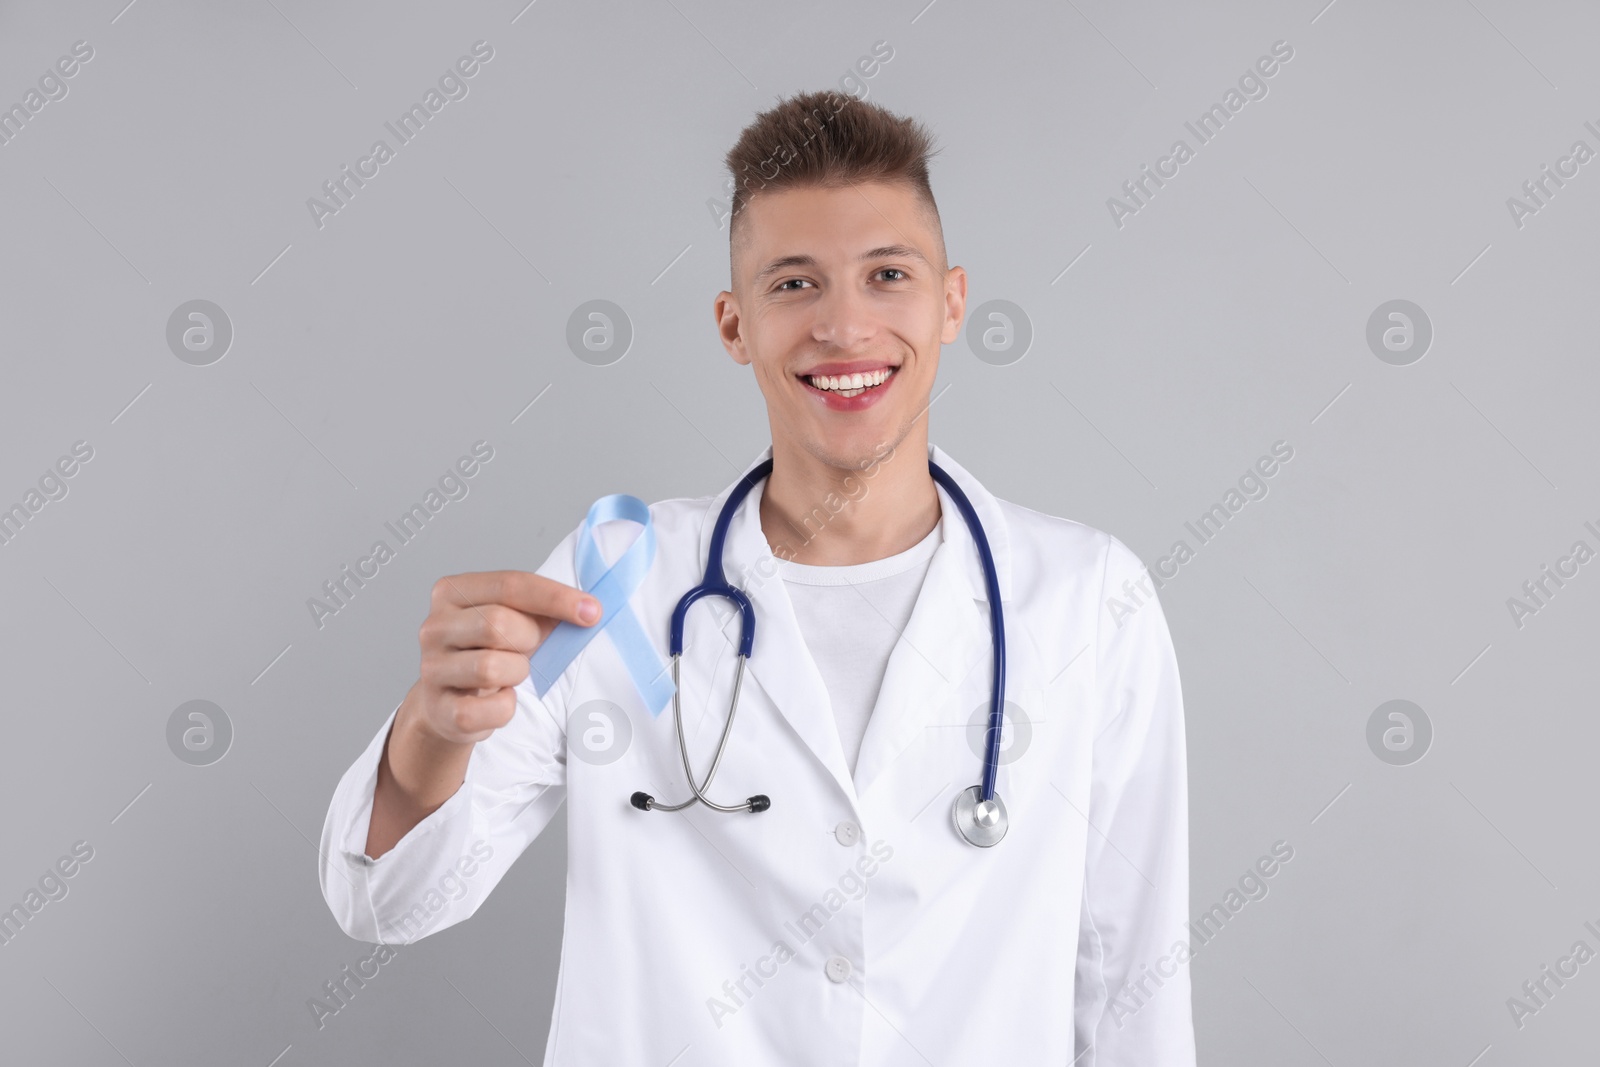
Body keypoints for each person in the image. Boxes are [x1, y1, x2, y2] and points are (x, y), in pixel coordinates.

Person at [319, 88, 1195, 1065]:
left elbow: (1132, 983)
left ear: (950, 302)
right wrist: (432, 734)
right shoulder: (620, 584)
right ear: (734, 326)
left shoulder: (1086, 599)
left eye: (886, 274)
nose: (844, 326)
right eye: (793, 284)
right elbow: (384, 900)